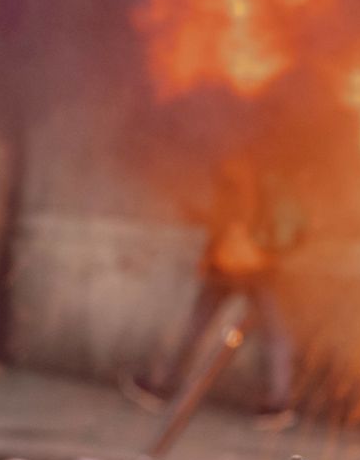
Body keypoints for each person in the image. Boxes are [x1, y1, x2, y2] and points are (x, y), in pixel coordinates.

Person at [124, 155, 302, 430]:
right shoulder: (270, 178)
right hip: (259, 265)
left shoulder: (240, 173)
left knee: (199, 326)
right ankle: (278, 402)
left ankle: (161, 386)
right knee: (274, 334)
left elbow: (228, 220)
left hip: (232, 265)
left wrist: (211, 254)